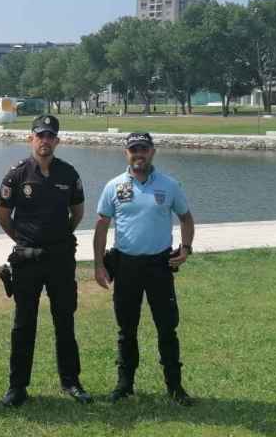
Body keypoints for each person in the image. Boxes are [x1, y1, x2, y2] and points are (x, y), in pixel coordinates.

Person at [93, 132, 196, 406]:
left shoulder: (169, 185)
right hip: (126, 266)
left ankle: (175, 387)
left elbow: (186, 217)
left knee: (167, 328)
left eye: (144, 149)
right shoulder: (113, 186)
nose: (139, 154)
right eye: (133, 150)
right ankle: (125, 386)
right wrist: (98, 264)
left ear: (153, 152)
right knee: (127, 329)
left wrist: (185, 248)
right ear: (126, 153)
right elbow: (102, 226)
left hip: (159, 266)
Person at [0, 114, 92, 407]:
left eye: (50, 136)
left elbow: (77, 213)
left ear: (57, 141)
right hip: (27, 262)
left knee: (65, 321)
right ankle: (17, 387)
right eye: (40, 136)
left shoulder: (69, 174)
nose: (45, 141)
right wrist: (24, 242)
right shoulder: (16, 175)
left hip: (61, 260)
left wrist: (60, 238)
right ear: (31, 139)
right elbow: (2, 217)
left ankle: (71, 382)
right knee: (23, 324)